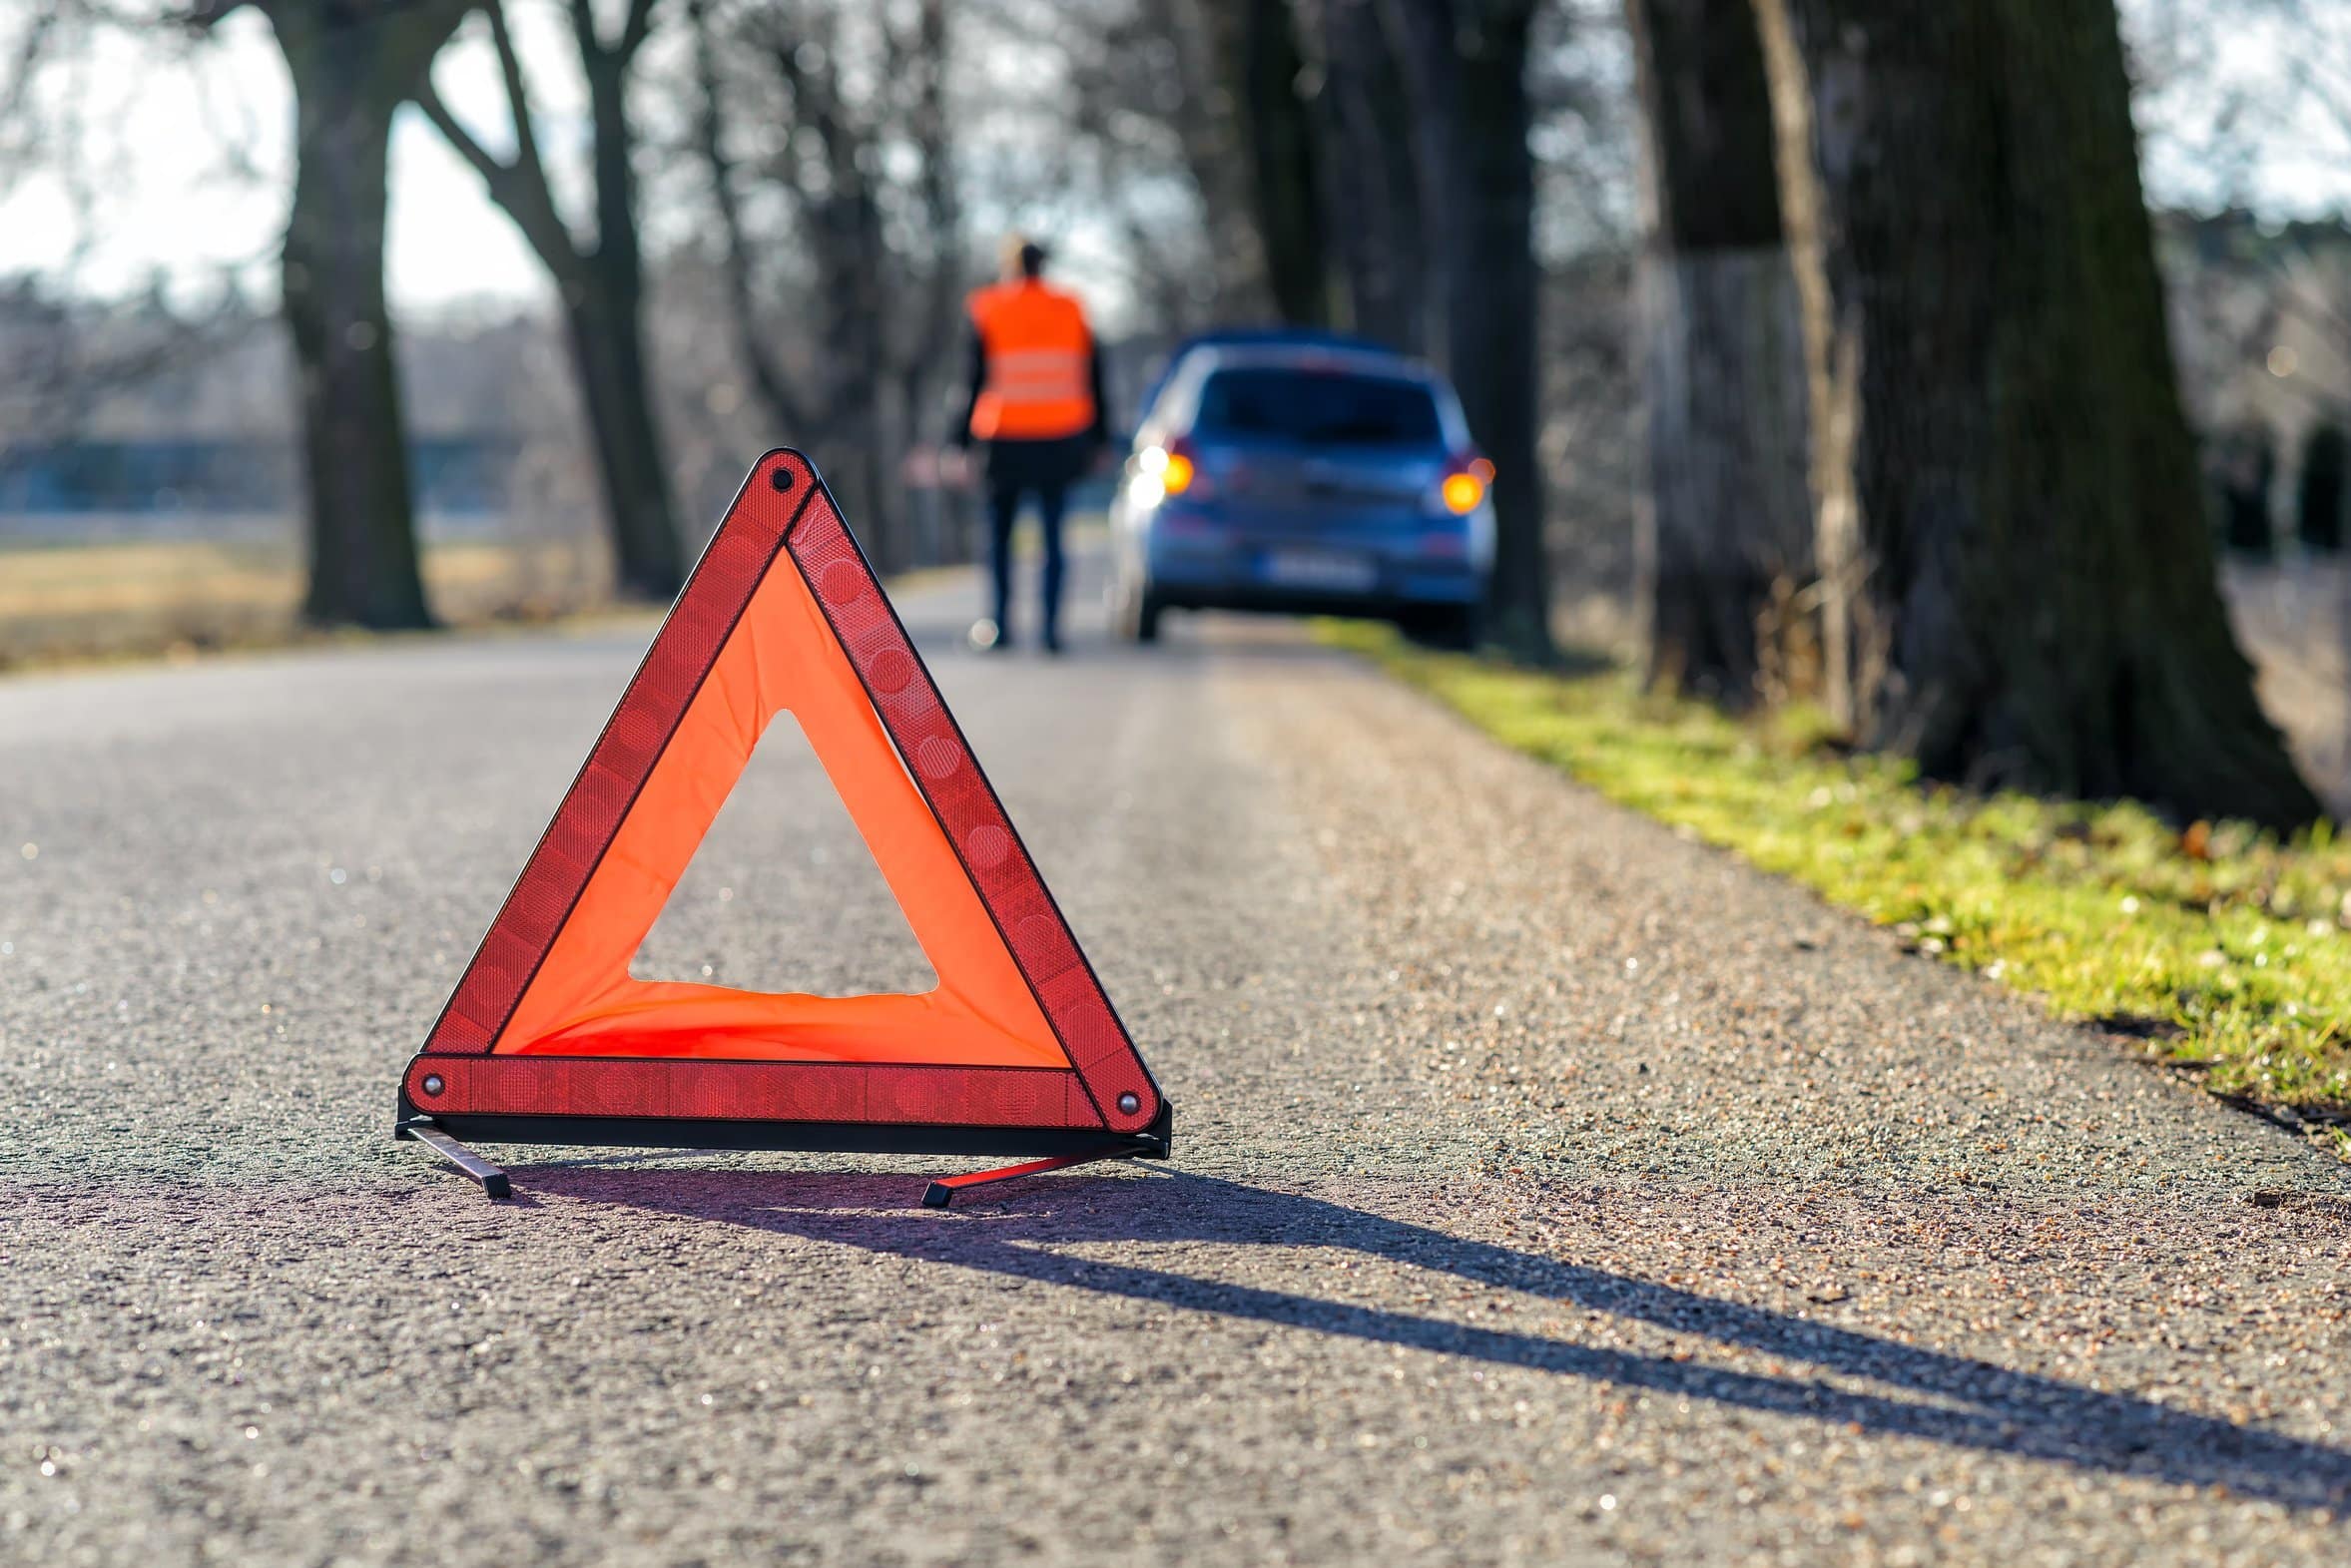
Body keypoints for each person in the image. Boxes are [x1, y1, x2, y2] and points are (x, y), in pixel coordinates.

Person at [953, 236, 1108, 654]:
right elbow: (1095, 376)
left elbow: (973, 379)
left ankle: (1001, 626)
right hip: (1061, 436)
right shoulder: (1071, 308)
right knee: (1053, 537)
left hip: (1005, 439)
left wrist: (960, 441)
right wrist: (1100, 438)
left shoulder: (990, 307)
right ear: (1043, 265)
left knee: (999, 538)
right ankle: (1051, 631)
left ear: (1010, 265)